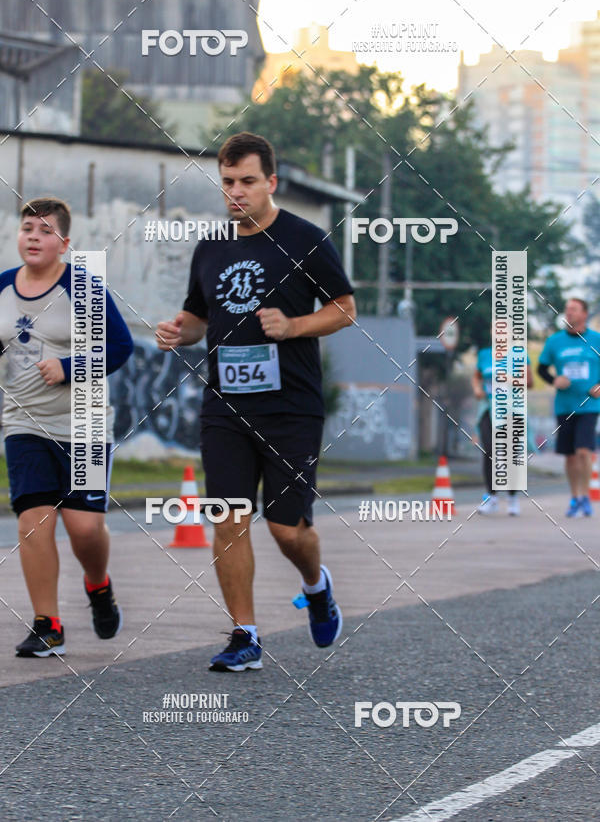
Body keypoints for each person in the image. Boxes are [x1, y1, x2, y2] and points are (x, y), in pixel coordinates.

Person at [156, 132, 356, 672]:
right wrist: (181, 330)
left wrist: (293, 326)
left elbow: (344, 308)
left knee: (287, 527)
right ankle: (244, 635)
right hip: (226, 406)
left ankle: (316, 585)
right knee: (228, 517)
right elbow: (199, 318)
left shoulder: (306, 239)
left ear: (271, 181)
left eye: (247, 181)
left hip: (291, 406)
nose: (236, 192)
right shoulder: (211, 246)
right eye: (227, 183)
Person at [0, 198, 134, 657]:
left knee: (84, 530)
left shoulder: (82, 287)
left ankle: (98, 585)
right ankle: (47, 623)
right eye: (27, 228)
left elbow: (120, 347)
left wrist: (72, 366)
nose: (34, 236)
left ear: (64, 243)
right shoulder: (1, 289)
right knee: (34, 523)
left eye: (44, 230)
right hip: (24, 424)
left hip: (87, 425)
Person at [538, 297, 600, 518]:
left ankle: (585, 497)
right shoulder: (555, 341)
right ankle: (574, 497)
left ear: (584, 314)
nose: (569, 313)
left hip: (589, 405)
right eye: (567, 309)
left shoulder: (596, 339)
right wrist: (554, 380)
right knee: (570, 456)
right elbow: (542, 369)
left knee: (584, 451)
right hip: (564, 406)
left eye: (574, 310)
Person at [472, 340, 533, 516]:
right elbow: (476, 376)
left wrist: (510, 379)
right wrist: (477, 388)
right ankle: (491, 497)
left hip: (511, 409)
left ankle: (513, 497)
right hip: (488, 408)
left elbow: (529, 382)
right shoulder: (484, 354)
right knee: (489, 449)